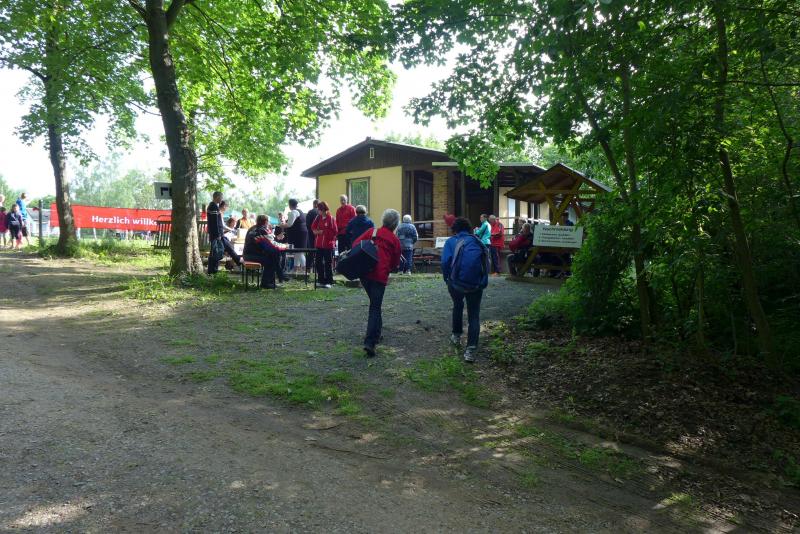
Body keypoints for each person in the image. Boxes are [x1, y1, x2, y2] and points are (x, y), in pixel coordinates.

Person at [353, 209, 401, 357]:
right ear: (395, 225)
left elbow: (355, 244)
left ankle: (377, 333)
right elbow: (395, 263)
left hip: (365, 274)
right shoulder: (394, 240)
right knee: (375, 307)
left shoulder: (372, 232)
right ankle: (370, 342)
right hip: (379, 276)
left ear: (383, 220)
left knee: (375, 305)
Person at [442, 217, 489, 363]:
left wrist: (447, 278)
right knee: (474, 315)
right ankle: (471, 350)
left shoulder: (451, 242)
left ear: (454, 229)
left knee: (457, 305)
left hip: (456, 283)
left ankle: (456, 336)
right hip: (476, 284)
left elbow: (445, 262)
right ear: (469, 228)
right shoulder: (477, 241)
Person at [243, 215, 287, 289]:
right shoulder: (262, 230)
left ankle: (276, 278)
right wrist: (285, 245)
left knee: (273, 256)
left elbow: (266, 243)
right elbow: (270, 244)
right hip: (253, 256)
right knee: (271, 260)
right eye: (268, 221)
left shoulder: (252, 228)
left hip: (247, 255)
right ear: (266, 221)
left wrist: (276, 239)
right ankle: (267, 282)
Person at [206, 192, 241, 274]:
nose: (221, 200)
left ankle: (238, 260)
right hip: (216, 234)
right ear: (217, 197)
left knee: (226, 247)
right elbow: (214, 222)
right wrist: (217, 234)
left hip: (219, 234)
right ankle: (212, 271)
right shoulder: (213, 206)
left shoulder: (214, 206)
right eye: (221, 197)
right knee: (215, 252)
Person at [311, 201, 337, 288]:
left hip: (328, 245)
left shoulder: (331, 219)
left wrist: (322, 232)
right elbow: (313, 227)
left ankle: (329, 281)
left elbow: (334, 232)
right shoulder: (318, 218)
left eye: (319, 209)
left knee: (328, 263)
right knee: (318, 262)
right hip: (319, 244)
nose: (318, 211)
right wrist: (316, 231)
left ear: (323, 210)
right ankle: (321, 280)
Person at [279, 198, 308, 273]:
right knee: (297, 252)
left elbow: (289, 224)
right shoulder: (300, 211)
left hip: (298, 235)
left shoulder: (293, 212)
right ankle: (295, 270)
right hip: (301, 234)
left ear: (290, 205)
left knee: (299, 252)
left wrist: (282, 225)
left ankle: (304, 271)